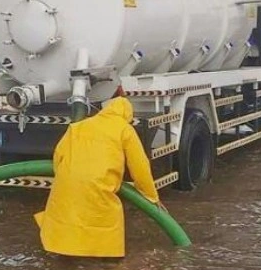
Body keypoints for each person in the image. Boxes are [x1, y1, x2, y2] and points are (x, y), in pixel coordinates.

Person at [34, 97, 164, 258]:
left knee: (65, 215)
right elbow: (140, 166)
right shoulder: (124, 129)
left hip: (68, 185)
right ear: (127, 116)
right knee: (103, 221)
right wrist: (151, 196)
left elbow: (58, 155)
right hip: (99, 186)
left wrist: (67, 175)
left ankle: (67, 255)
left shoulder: (78, 126)